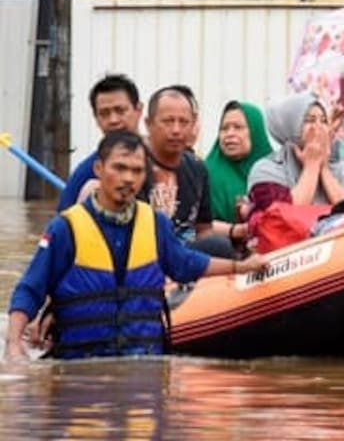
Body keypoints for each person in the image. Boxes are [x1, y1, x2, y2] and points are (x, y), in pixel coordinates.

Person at [5, 130, 268, 362]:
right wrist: (13, 346)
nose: (128, 178)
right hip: (80, 365)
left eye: (137, 171)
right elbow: (30, 288)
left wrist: (240, 266)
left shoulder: (156, 224)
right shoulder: (65, 228)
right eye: (119, 168)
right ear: (98, 169)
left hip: (144, 363)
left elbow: (186, 264)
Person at [143, 86, 223, 254]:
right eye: (168, 121)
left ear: (193, 125)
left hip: (186, 261)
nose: (176, 130)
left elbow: (204, 229)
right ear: (148, 124)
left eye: (184, 122)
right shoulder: (133, 166)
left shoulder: (198, 168)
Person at [57, 74, 149, 210]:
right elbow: (61, 224)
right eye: (104, 113)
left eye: (120, 110)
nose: (113, 120)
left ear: (138, 110)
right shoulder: (85, 174)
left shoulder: (165, 158)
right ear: (96, 118)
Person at [247, 94, 344, 211]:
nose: (318, 127)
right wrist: (311, 166)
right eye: (309, 120)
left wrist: (323, 168)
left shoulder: (340, 168)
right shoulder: (266, 169)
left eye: (323, 121)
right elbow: (285, 216)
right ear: (290, 126)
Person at [205, 100, 272, 247]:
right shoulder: (206, 172)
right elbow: (197, 226)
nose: (230, 134)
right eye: (224, 128)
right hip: (223, 255)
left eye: (238, 127)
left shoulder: (274, 170)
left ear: (255, 131)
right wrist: (234, 231)